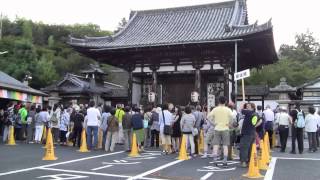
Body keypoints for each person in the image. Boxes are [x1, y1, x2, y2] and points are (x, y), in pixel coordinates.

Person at [207, 96, 233, 167]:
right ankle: (224, 162)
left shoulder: (215, 109)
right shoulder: (228, 109)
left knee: (216, 145)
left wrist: (213, 123)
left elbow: (208, 117)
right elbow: (232, 118)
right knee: (225, 146)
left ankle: (215, 161)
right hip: (225, 129)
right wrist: (229, 124)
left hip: (217, 128)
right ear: (225, 102)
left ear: (218, 101)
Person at [239, 102, 258, 168]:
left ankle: (244, 162)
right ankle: (249, 161)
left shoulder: (249, 113)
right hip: (252, 132)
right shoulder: (255, 114)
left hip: (247, 133)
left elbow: (241, 110)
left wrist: (242, 104)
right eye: (246, 106)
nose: (247, 107)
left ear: (252, 107)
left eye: (248, 106)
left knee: (244, 148)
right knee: (250, 148)